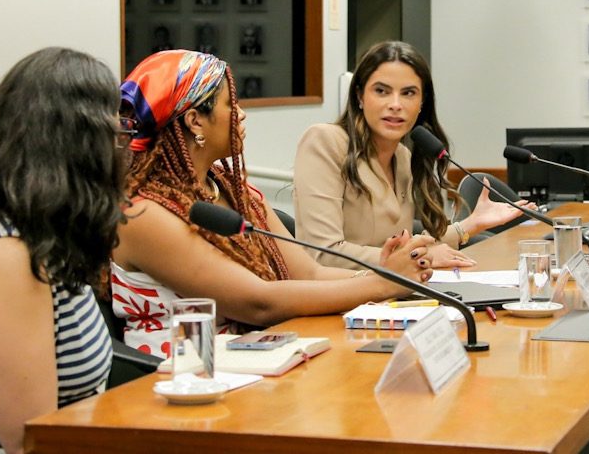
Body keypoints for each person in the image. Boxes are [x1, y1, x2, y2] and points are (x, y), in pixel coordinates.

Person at [112, 50, 434, 357]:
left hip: (261, 358)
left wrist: (387, 274)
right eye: (230, 104)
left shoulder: (234, 191)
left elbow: (309, 273)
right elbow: (258, 303)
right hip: (181, 377)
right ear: (195, 121)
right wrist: (383, 283)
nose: (241, 114)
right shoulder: (142, 214)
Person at [0, 48, 124, 453]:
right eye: (113, 130)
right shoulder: (6, 256)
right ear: (80, 143)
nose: (119, 145)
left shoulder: (45, 236)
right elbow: (29, 441)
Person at [293, 41, 533, 271]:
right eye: (381, 91)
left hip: (390, 292)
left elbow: (406, 247)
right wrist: (417, 257)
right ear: (359, 96)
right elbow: (323, 254)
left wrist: (472, 224)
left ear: (421, 103)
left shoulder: (403, 157)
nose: (395, 104)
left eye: (408, 93)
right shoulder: (325, 141)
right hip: (340, 293)